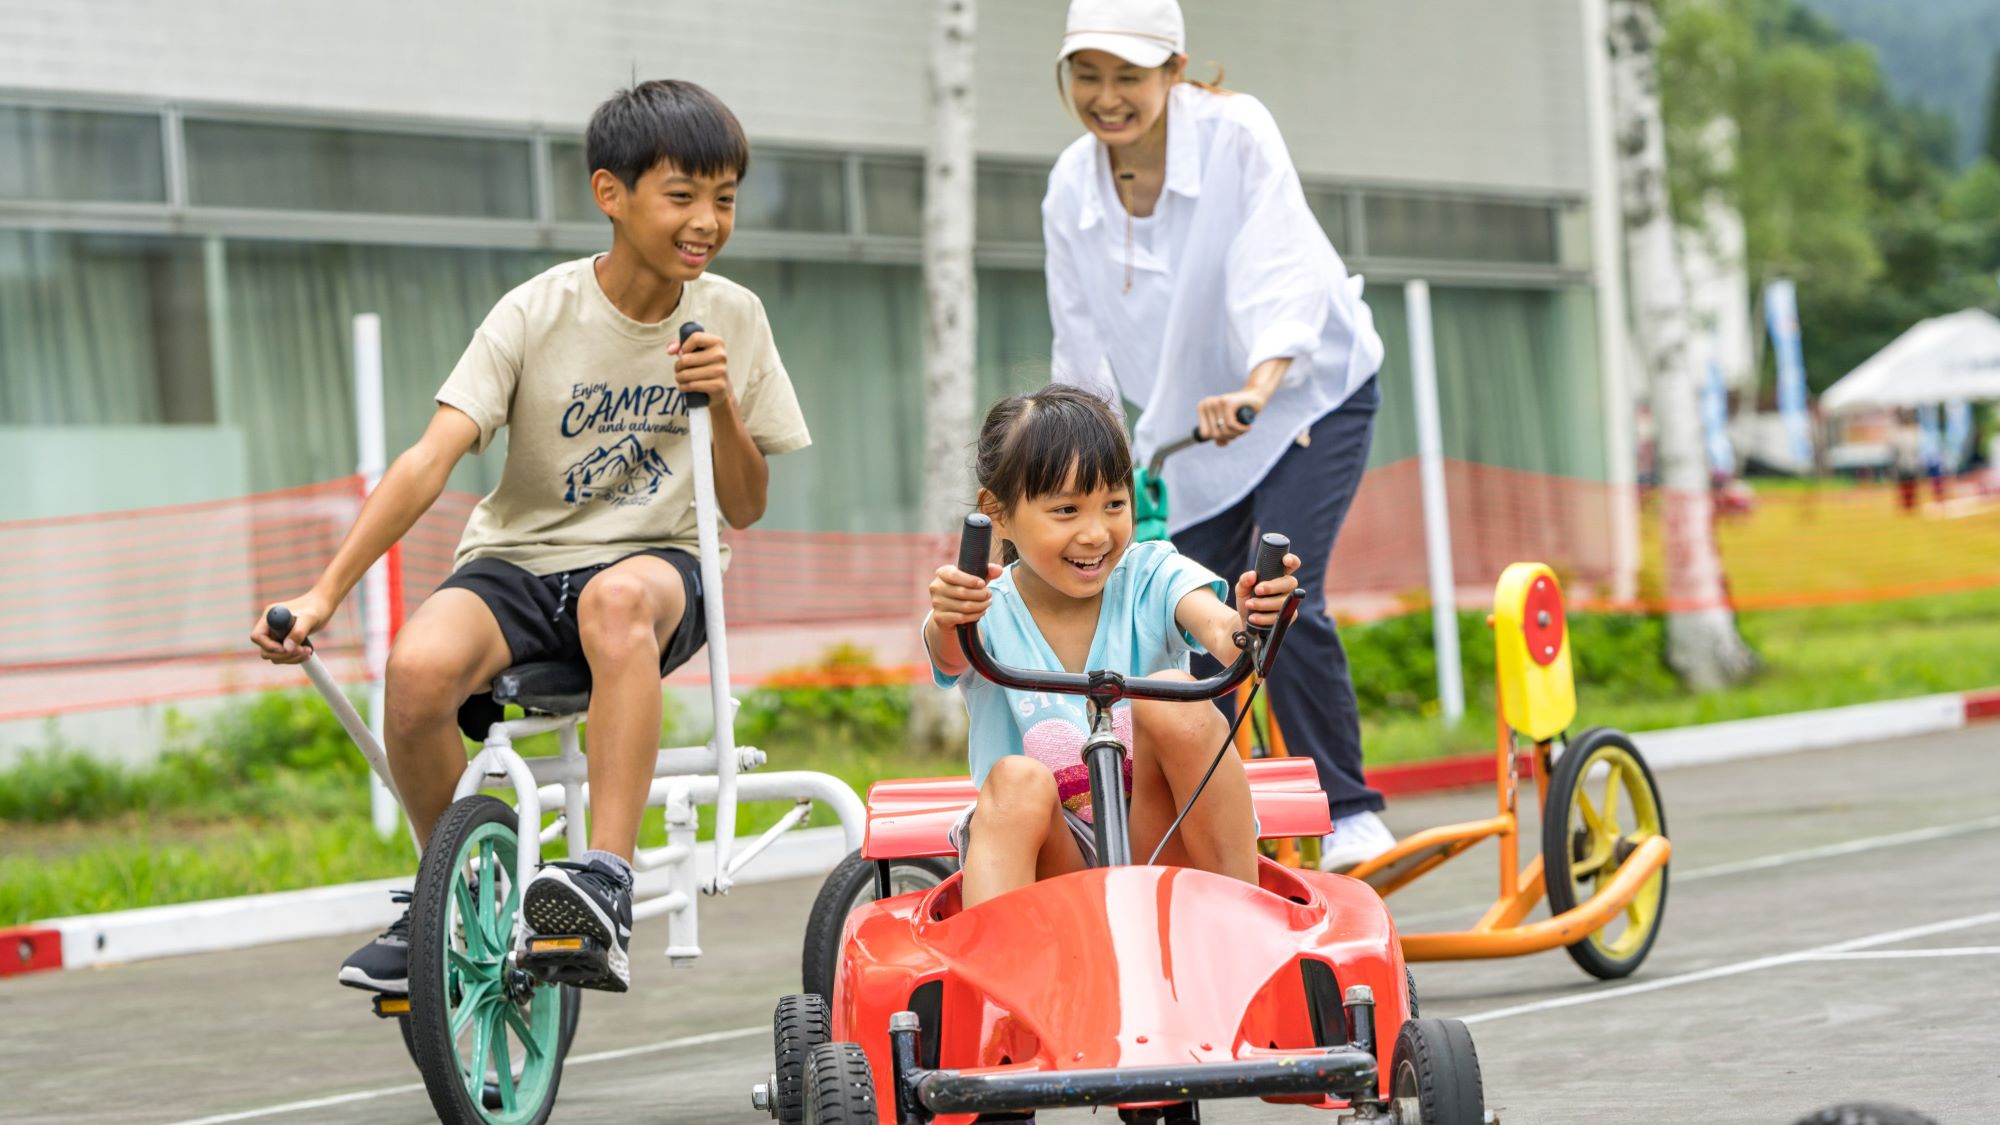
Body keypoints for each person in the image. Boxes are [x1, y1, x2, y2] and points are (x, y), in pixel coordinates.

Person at [250, 80, 811, 995]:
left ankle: (603, 882)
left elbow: (744, 505)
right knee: (418, 668)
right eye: (682, 196)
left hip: (659, 564)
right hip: (521, 560)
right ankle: (456, 894)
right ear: (611, 194)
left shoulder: (734, 317)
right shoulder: (535, 312)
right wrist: (325, 594)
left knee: (616, 598)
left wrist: (720, 408)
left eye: (726, 198)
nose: (707, 221)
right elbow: (431, 459)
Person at [1040, 0, 1393, 869]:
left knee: (1277, 598)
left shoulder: (1235, 133)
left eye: (1129, 76)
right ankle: (1201, 834)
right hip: (1192, 446)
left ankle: (1348, 812)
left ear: (1174, 70)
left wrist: (1259, 383)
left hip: (1307, 393)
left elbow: (1281, 262)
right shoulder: (1069, 189)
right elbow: (1080, 345)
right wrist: (1076, 471)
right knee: (1188, 628)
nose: (1107, 97)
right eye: (1088, 75)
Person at [924, 385, 1301, 907]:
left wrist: (1252, 622)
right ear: (999, 513)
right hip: (1051, 867)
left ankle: (1244, 921)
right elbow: (947, 651)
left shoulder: (1151, 573)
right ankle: (994, 973)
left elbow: (1222, 632)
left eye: (1114, 503)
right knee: (1016, 781)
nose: (1097, 533)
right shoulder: (983, 609)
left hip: (1161, 839)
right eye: (1067, 510)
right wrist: (953, 613)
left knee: (1175, 695)